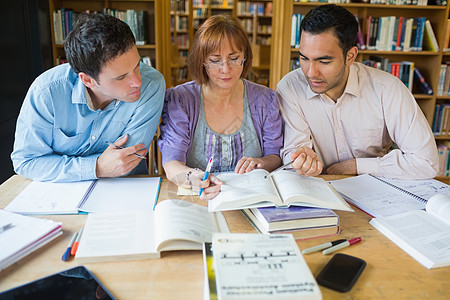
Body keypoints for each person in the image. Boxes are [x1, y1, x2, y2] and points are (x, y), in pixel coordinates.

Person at [277, 4, 439, 179]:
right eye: (304, 58)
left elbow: (427, 162)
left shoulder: (387, 88)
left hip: (375, 190)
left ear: (350, 56)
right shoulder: (291, 87)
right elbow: (292, 155)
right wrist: (302, 162)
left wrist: (356, 166)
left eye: (324, 61)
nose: (310, 73)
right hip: (317, 188)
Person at [11, 13, 165, 182]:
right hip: (58, 197)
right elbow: (26, 161)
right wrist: (97, 167)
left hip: (124, 189)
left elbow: (127, 161)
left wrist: (60, 166)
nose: (137, 81)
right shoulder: (46, 93)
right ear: (87, 80)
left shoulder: (152, 85)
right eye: (121, 77)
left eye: (137, 66)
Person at [158, 14, 283, 199]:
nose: (225, 69)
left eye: (234, 58)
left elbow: (275, 157)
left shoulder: (265, 100)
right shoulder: (181, 100)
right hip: (197, 199)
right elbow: (171, 163)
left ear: (245, 57)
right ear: (201, 61)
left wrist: (260, 163)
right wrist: (193, 178)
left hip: (251, 200)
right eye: (215, 60)